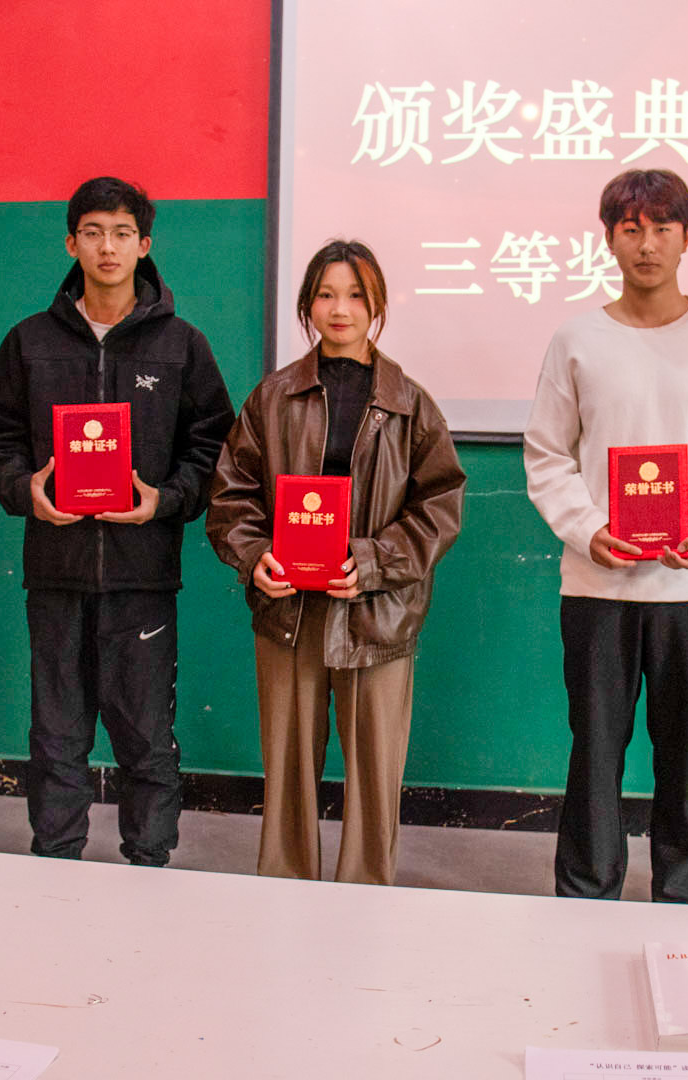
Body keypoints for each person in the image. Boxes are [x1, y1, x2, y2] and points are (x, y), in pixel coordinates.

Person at [524, 170, 688, 904]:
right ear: (609, 239)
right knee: (594, 756)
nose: (647, 244)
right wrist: (588, 529)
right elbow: (546, 454)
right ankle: (586, 896)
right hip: (598, 585)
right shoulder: (577, 340)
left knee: (687, 762)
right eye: (631, 229)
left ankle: (684, 904)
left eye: (663, 228)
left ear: (686, 238)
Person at [0, 177, 234, 866]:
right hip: (55, 574)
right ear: (72, 243)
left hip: (142, 576)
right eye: (93, 232)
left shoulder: (181, 345)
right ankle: (56, 859)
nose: (107, 247)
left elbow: (213, 446)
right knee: (56, 736)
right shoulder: (28, 342)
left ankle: (148, 865)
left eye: (123, 233)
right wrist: (25, 491)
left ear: (144, 244)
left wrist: (165, 499)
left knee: (146, 737)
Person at [205, 239, 465, 885]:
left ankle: (366, 892)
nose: (340, 309)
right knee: (287, 767)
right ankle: (285, 884)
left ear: (376, 305)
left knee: (376, 772)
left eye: (355, 295)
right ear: (307, 304)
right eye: (326, 294)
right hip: (288, 609)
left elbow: (439, 507)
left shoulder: (410, 403)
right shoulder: (272, 398)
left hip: (377, 613)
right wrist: (255, 557)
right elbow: (231, 494)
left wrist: (371, 563)